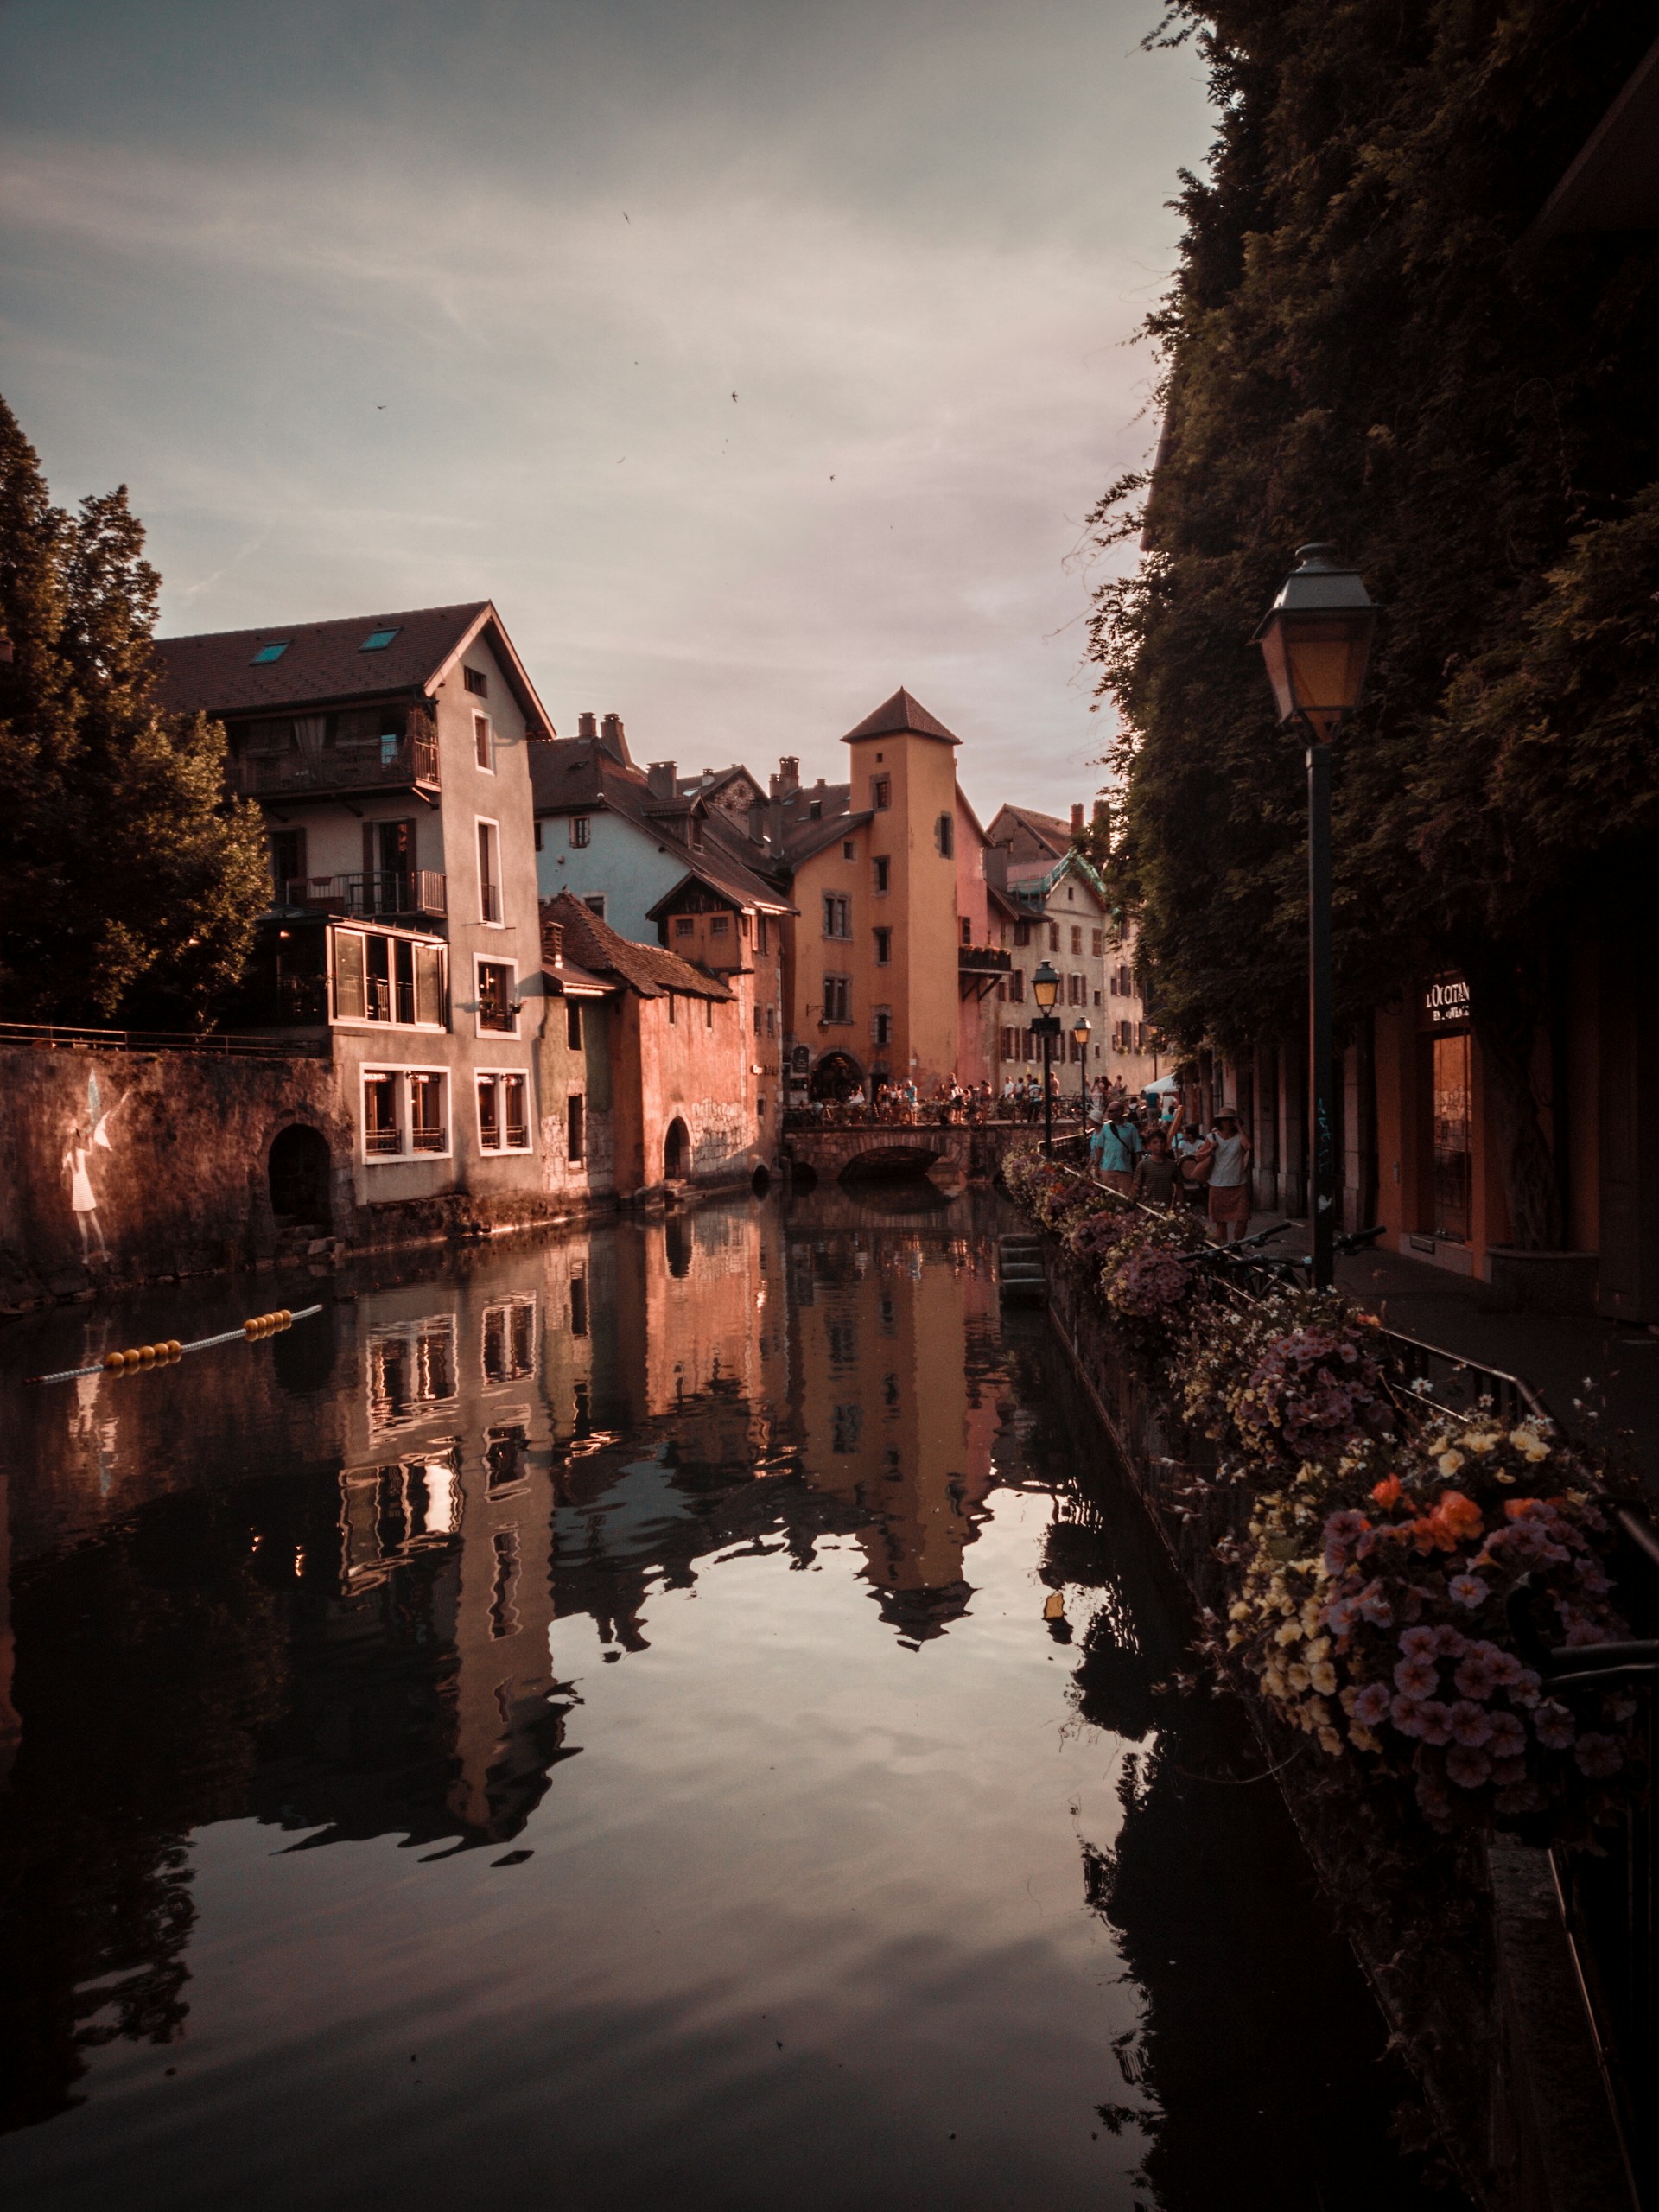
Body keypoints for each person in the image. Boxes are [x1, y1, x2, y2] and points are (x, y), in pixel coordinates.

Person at [1204, 1109, 1253, 1243]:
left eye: (1231, 1119)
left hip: (1238, 1183)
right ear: (1219, 1122)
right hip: (1217, 1183)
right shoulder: (1211, 1137)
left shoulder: (1240, 1137)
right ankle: (1224, 1249)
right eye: (1224, 1119)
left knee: (1243, 1219)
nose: (1227, 1122)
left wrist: (1239, 1128)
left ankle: (1237, 1245)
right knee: (1221, 1221)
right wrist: (1211, 1148)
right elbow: (1198, 1156)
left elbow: (1248, 1146)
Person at [1090, 1103, 1141, 1194]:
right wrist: (1097, 1164)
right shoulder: (1106, 1128)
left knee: (1125, 1198)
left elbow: (1137, 1150)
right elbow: (1100, 1147)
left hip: (1125, 1169)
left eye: (1111, 1111)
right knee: (1109, 1197)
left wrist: (1138, 1171)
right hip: (1107, 1168)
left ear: (1119, 1112)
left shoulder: (1131, 1129)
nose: (1107, 1113)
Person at [1130, 1125, 1181, 1209]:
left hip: (1166, 1208)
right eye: (1155, 1142)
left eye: (1161, 1142)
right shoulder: (1143, 1165)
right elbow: (1136, 1187)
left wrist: (1179, 1206)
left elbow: (1179, 1187)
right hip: (1146, 1208)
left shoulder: (1172, 1165)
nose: (1159, 1145)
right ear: (1148, 1146)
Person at [1172, 1118, 1210, 1212]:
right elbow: (1179, 1156)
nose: (1182, 1135)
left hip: (1197, 1173)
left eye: (1184, 1133)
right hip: (1186, 1172)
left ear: (1190, 1135)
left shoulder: (1201, 1144)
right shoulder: (1182, 1143)